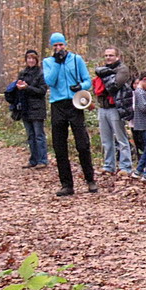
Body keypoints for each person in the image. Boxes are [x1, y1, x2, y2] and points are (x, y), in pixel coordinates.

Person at [42, 32, 97, 197]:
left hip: (75, 103)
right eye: (55, 46)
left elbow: (87, 81)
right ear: (52, 47)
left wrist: (80, 86)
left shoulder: (76, 59)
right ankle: (66, 184)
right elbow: (50, 82)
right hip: (57, 104)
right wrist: (57, 63)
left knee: (82, 144)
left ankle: (90, 179)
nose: (59, 48)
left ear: (65, 44)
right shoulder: (48, 62)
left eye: (61, 45)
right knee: (59, 146)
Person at [94, 47, 133, 175]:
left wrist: (103, 78)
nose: (108, 58)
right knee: (106, 139)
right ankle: (108, 166)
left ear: (117, 57)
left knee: (121, 138)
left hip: (116, 108)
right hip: (103, 107)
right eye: (106, 55)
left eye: (111, 55)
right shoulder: (102, 70)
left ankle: (125, 166)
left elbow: (114, 86)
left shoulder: (123, 70)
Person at [15, 49, 49, 169]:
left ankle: (42, 160)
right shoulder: (22, 73)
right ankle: (33, 159)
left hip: (37, 108)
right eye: (29, 58)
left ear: (36, 60)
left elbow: (42, 91)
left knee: (39, 135)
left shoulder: (41, 73)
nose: (31, 61)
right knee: (30, 135)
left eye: (33, 58)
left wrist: (27, 88)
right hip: (25, 108)